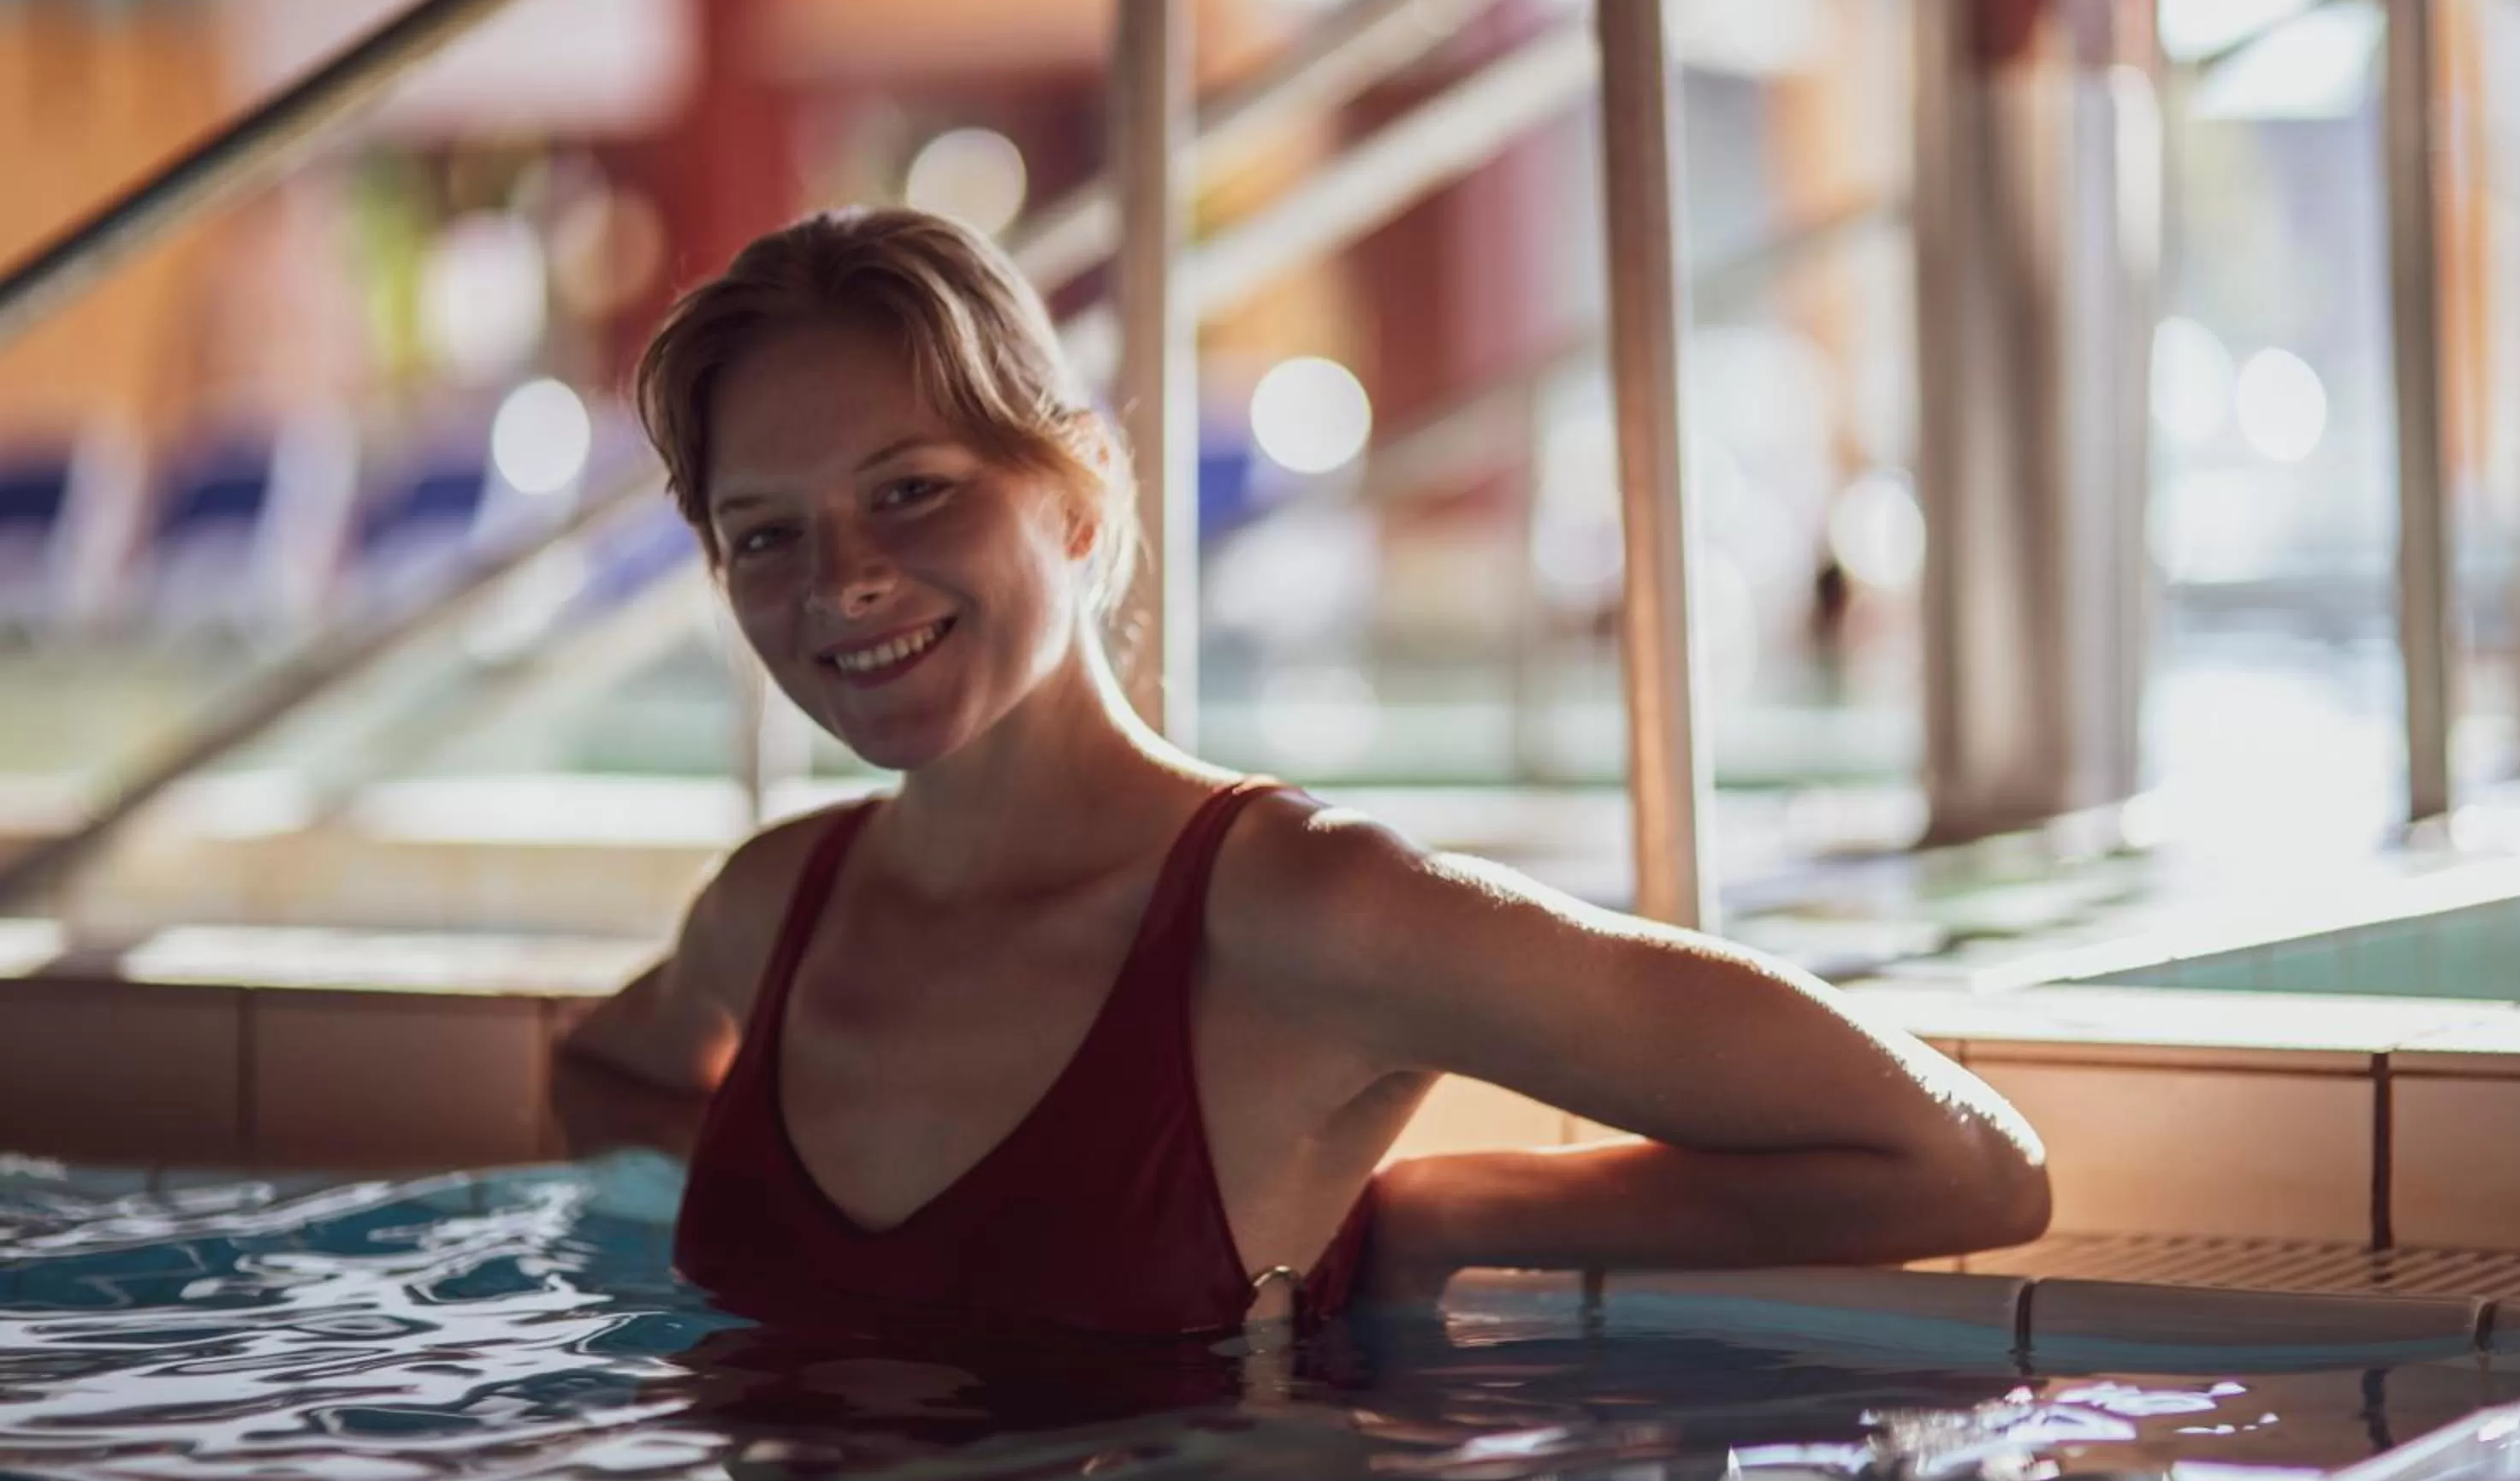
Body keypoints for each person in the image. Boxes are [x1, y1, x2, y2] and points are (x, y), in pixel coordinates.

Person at [553, 206, 2049, 1342]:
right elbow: (603, 1073)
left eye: (912, 491)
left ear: (1078, 500)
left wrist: (1450, 1213)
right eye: (767, 532)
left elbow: (1964, 1160)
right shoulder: (769, 909)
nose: (844, 579)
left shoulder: (1305, 917)